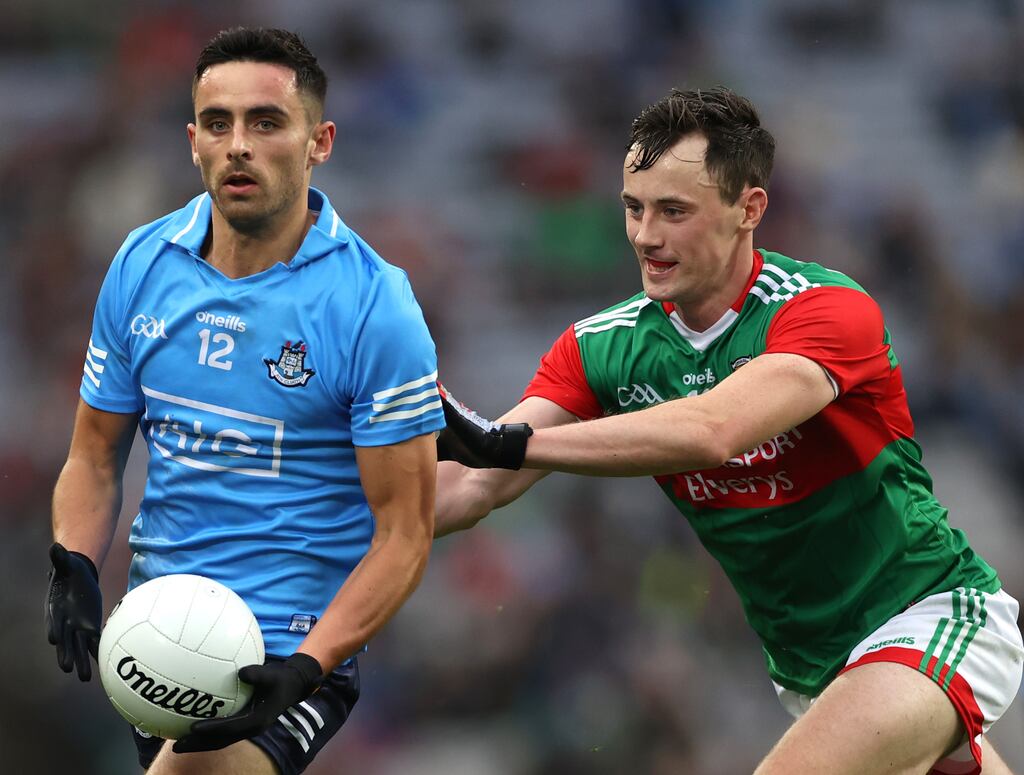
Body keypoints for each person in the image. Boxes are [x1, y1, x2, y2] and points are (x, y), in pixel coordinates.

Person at [434, 87, 1024, 775]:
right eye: (634, 207)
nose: (646, 235)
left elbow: (716, 428)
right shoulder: (601, 348)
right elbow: (471, 480)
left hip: (931, 618)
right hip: (814, 673)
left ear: (749, 209)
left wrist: (510, 442)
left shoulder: (827, 310)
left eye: (674, 211)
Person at [44, 27, 444, 775]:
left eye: (265, 122)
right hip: (157, 635)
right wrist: (74, 561)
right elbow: (95, 454)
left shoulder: (373, 305)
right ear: (192, 139)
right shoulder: (141, 264)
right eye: (219, 123)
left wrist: (309, 665)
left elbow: (404, 535)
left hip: (286, 654)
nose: (238, 145)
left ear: (319, 140)